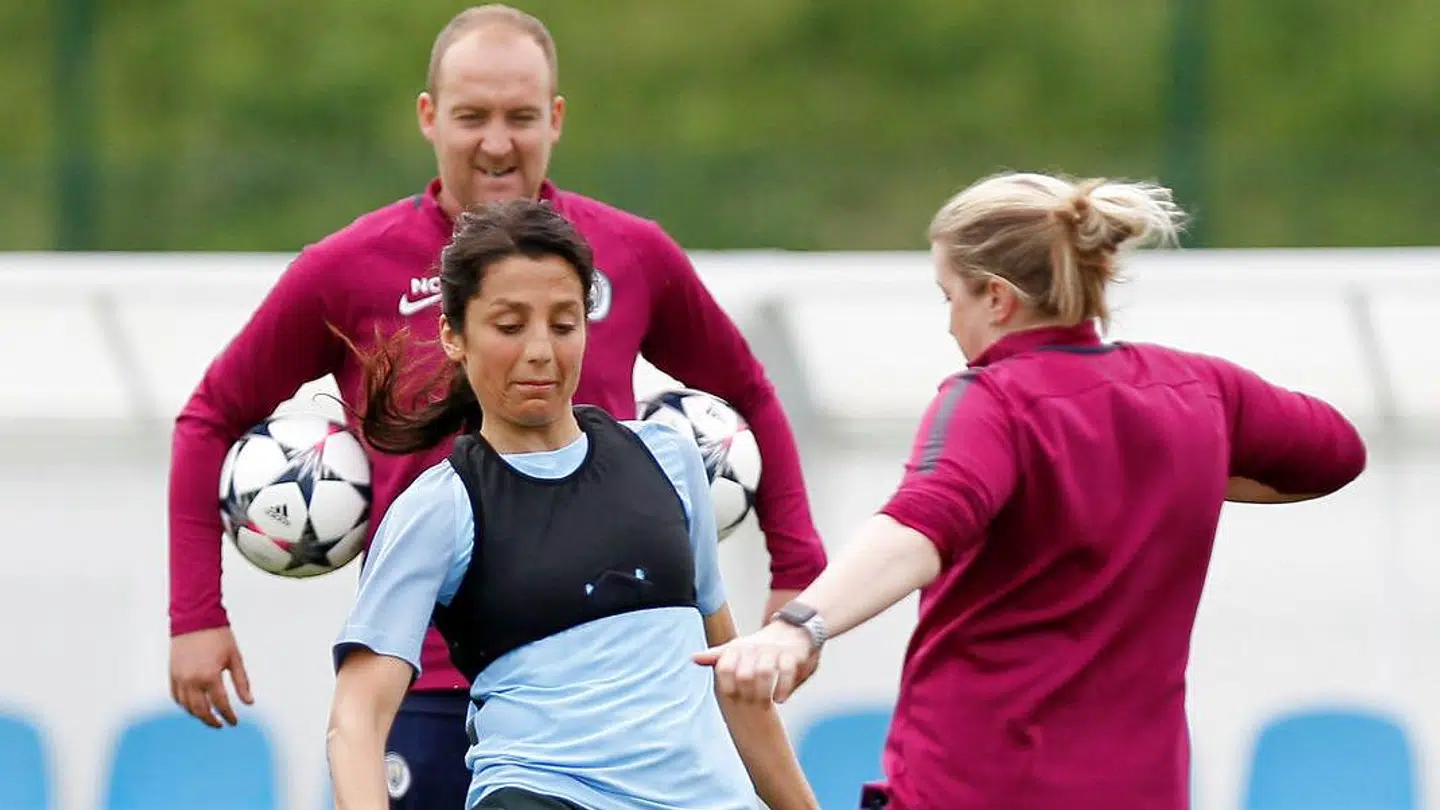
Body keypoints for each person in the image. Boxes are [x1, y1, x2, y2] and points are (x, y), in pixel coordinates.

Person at [168, 4, 826, 807]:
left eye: (520, 117)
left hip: (615, 698)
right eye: (472, 116)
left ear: (556, 118)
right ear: (428, 116)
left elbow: (748, 390)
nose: (496, 142)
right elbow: (211, 414)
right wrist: (195, 612)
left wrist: (798, 571)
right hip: (427, 683)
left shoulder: (632, 256)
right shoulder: (344, 271)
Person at [695, 172, 1368, 809]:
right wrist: (1169, 473)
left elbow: (922, 524)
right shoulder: (1197, 390)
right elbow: (1335, 453)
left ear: (996, 297)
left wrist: (799, 627)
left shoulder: (994, 400)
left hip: (981, 786)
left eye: (949, 297)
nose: (949, 323)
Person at [325, 199, 818, 810]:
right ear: (454, 336)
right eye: (510, 326)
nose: (540, 350)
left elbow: (731, 682)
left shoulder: (669, 457)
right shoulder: (441, 506)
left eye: (563, 325)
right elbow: (356, 721)